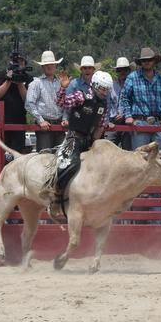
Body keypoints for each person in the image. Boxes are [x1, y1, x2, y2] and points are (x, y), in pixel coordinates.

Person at [50, 70, 112, 216]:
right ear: (95, 85)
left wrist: (95, 145)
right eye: (103, 88)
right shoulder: (81, 95)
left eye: (107, 89)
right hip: (74, 137)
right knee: (70, 164)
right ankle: (57, 195)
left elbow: (101, 125)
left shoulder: (104, 103)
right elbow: (61, 103)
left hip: (90, 140)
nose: (105, 92)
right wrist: (63, 88)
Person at [121, 47, 161, 155]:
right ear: (141, 63)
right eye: (144, 60)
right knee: (140, 157)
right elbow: (124, 97)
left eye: (149, 60)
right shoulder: (132, 77)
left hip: (157, 122)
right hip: (139, 122)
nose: (147, 62)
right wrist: (128, 115)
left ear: (154, 61)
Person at [0, 52, 33, 155]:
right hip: (1, 122)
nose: (18, 64)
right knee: (0, 155)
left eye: (20, 61)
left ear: (25, 63)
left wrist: (20, 83)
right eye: (15, 61)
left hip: (19, 122)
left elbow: (28, 100)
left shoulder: (28, 78)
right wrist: (8, 80)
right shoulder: (2, 74)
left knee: (17, 154)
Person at [25, 50, 65, 151]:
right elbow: (29, 103)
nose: (49, 66)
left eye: (51, 64)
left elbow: (66, 103)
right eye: (46, 64)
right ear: (42, 67)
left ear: (55, 66)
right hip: (44, 124)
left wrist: (65, 118)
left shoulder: (61, 83)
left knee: (61, 156)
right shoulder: (36, 83)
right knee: (44, 156)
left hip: (60, 124)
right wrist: (40, 120)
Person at [62, 55, 98, 127]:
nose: (87, 70)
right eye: (85, 68)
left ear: (93, 70)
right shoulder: (74, 84)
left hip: (94, 122)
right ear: (81, 70)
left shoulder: (98, 85)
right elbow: (66, 103)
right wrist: (65, 119)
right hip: (77, 122)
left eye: (89, 68)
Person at [107, 57, 133, 150]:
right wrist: (107, 121)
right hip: (112, 122)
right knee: (108, 150)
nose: (122, 72)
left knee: (128, 151)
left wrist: (125, 114)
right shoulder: (111, 86)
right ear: (117, 71)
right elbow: (107, 104)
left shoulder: (133, 86)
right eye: (119, 70)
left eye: (125, 70)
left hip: (129, 122)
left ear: (129, 71)